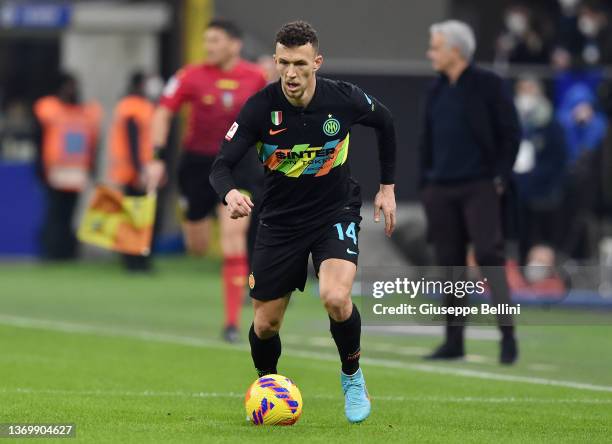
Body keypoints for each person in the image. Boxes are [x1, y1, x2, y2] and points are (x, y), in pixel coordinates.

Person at [209, 21, 397, 423]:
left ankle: (352, 376)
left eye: (299, 63)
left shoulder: (343, 99)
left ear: (316, 61)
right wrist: (230, 193)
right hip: (279, 221)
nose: (290, 74)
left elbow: (386, 122)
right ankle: (268, 386)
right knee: (265, 323)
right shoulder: (260, 107)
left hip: (334, 212)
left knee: (335, 297)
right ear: (275, 61)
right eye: (283, 63)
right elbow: (221, 166)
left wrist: (388, 187)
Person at [145, 19, 267, 342]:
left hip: (239, 165)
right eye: (206, 41)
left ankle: (232, 324)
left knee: (233, 239)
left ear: (234, 44)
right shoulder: (189, 76)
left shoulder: (256, 77)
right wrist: (156, 158)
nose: (209, 47)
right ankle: (200, 221)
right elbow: (163, 112)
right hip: (197, 166)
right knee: (197, 246)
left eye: (215, 41)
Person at [420, 20, 520, 364]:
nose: (430, 53)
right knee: (450, 265)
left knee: (490, 258)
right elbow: (427, 141)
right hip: (441, 189)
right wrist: (427, 184)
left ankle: (508, 337)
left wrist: (500, 177)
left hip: (480, 185)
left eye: (435, 46)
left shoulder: (488, 85)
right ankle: (453, 341)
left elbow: (511, 133)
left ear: (455, 50)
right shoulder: (435, 90)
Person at [33, 72, 102, 260]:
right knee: (55, 214)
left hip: (77, 172)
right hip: (55, 172)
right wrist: (39, 167)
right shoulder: (49, 108)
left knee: (69, 215)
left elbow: (94, 142)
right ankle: (52, 252)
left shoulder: (85, 112)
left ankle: (67, 252)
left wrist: (92, 167)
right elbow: (39, 139)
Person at [513, 75, 567, 263]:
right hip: (517, 196)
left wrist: (536, 179)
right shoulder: (510, 123)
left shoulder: (552, 125)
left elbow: (559, 161)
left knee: (542, 244)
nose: (526, 95)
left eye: (530, 90)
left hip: (545, 196)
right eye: (522, 90)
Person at [108, 72, 156, 272]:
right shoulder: (133, 107)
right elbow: (133, 141)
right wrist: (139, 172)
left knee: (136, 218)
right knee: (136, 218)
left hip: (134, 171)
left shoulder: (133, 106)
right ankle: (134, 261)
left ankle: (136, 259)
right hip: (134, 173)